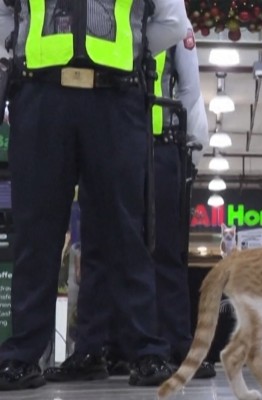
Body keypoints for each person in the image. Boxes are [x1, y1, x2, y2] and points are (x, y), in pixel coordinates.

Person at [0, 0, 188, 391]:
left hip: (112, 97)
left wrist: (130, 54)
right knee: (37, 229)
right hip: (43, 94)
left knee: (124, 227)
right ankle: (23, 355)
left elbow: (172, 23)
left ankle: (144, 349)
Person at [42, 22, 215, 381]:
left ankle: (174, 345)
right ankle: (95, 346)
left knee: (164, 249)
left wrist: (191, 154)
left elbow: (191, 91)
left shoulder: (171, 24)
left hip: (160, 144)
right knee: (100, 246)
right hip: (111, 141)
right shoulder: (109, 19)